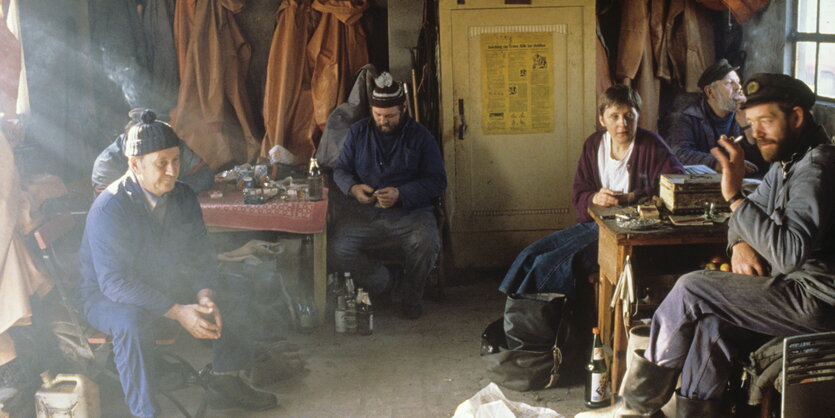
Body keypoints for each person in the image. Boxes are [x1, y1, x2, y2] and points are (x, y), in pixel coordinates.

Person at [591, 74, 835, 417]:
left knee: (691, 288)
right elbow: (749, 214)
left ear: (796, 117)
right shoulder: (788, 161)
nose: (757, 133)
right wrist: (738, 245)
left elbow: (789, 254)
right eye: (752, 124)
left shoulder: (816, 169)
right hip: (792, 293)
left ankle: (634, 409)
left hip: (817, 302)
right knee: (712, 326)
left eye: (767, 121)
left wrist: (734, 196)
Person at [77, 110, 277, 417]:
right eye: (161, 163)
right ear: (135, 164)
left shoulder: (182, 195)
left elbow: (200, 252)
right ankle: (146, 412)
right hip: (108, 297)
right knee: (131, 322)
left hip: (161, 282)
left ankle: (227, 381)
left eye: (176, 160)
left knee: (235, 288)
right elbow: (114, 283)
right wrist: (178, 311)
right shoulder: (110, 207)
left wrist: (204, 294)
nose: (172, 171)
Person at [499, 84, 684, 297]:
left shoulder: (652, 144)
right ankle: (518, 313)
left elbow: (676, 183)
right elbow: (579, 192)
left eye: (629, 116)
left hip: (626, 232)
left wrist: (632, 197)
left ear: (638, 116)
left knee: (548, 264)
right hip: (593, 224)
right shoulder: (594, 145)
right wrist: (594, 196)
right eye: (614, 116)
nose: (622, 124)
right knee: (529, 255)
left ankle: (536, 318)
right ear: (602, 119)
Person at [331, 72, 447, 320]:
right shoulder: (357, 133)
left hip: (410, 213)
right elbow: (341, 170)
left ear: (403, 108)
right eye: (378, 115)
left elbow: (437, 180)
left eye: (390, 116)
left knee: (427, 242)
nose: (383, 121)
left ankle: (411, 295)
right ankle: (383, 281)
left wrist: (402, 194)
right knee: (337, 248)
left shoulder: (421, 137)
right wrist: (353, 188)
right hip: (365, 213)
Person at [666, 59, 768, 176]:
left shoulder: (746, 114)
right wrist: (719, 163)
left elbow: (763, 161)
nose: (738, 87)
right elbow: (679, 154)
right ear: (710, 92)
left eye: (738, 82)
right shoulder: (687, 117)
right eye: (729, 83)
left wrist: (747, 127)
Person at [91, 108, 214, 193]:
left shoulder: (169, 143)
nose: (171, 171)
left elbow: (205, 175)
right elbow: (113, 205)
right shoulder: (107, 162)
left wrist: (170, 188)